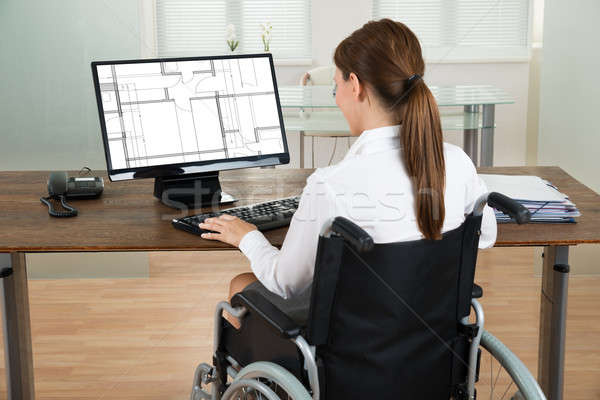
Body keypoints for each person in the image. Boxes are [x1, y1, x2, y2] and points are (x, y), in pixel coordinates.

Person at [198, 18, 497, 324]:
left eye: (336, 86)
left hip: (352, 355)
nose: (337, 96)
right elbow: (485, 235)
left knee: (241, 284)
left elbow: (285, 282)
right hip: (428, 348)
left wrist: (248, 237)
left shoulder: (329, 185)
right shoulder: (457, 162)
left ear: (355, 86)